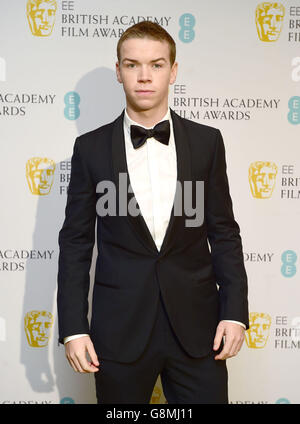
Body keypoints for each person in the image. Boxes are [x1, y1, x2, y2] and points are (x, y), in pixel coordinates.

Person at [57, 21, 249, 404]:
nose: (144, 76)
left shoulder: (207, 142)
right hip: (118, 331)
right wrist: (74, 328)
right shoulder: (90, 149)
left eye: (156, 65)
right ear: (118, 71)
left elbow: (224, 233)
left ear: (173, 71)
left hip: (198, 331)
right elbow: (76, 243)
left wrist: (235, 313)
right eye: (132, 65)